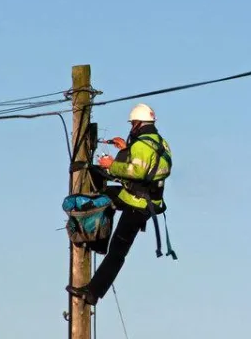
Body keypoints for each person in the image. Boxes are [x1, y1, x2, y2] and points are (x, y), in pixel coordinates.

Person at [66, 103, 173, 305]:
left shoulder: (142, 145)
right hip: (144, 200)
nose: (132, 126)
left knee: (118, 251)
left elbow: (136, 172)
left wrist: (111, 165)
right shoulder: (159, 142)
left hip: (138, 204)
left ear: (138, 123)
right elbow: (148, 166)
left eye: (133, 123)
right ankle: (98, 242)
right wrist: (125, 148)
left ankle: (92, 292)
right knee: (104, 198)